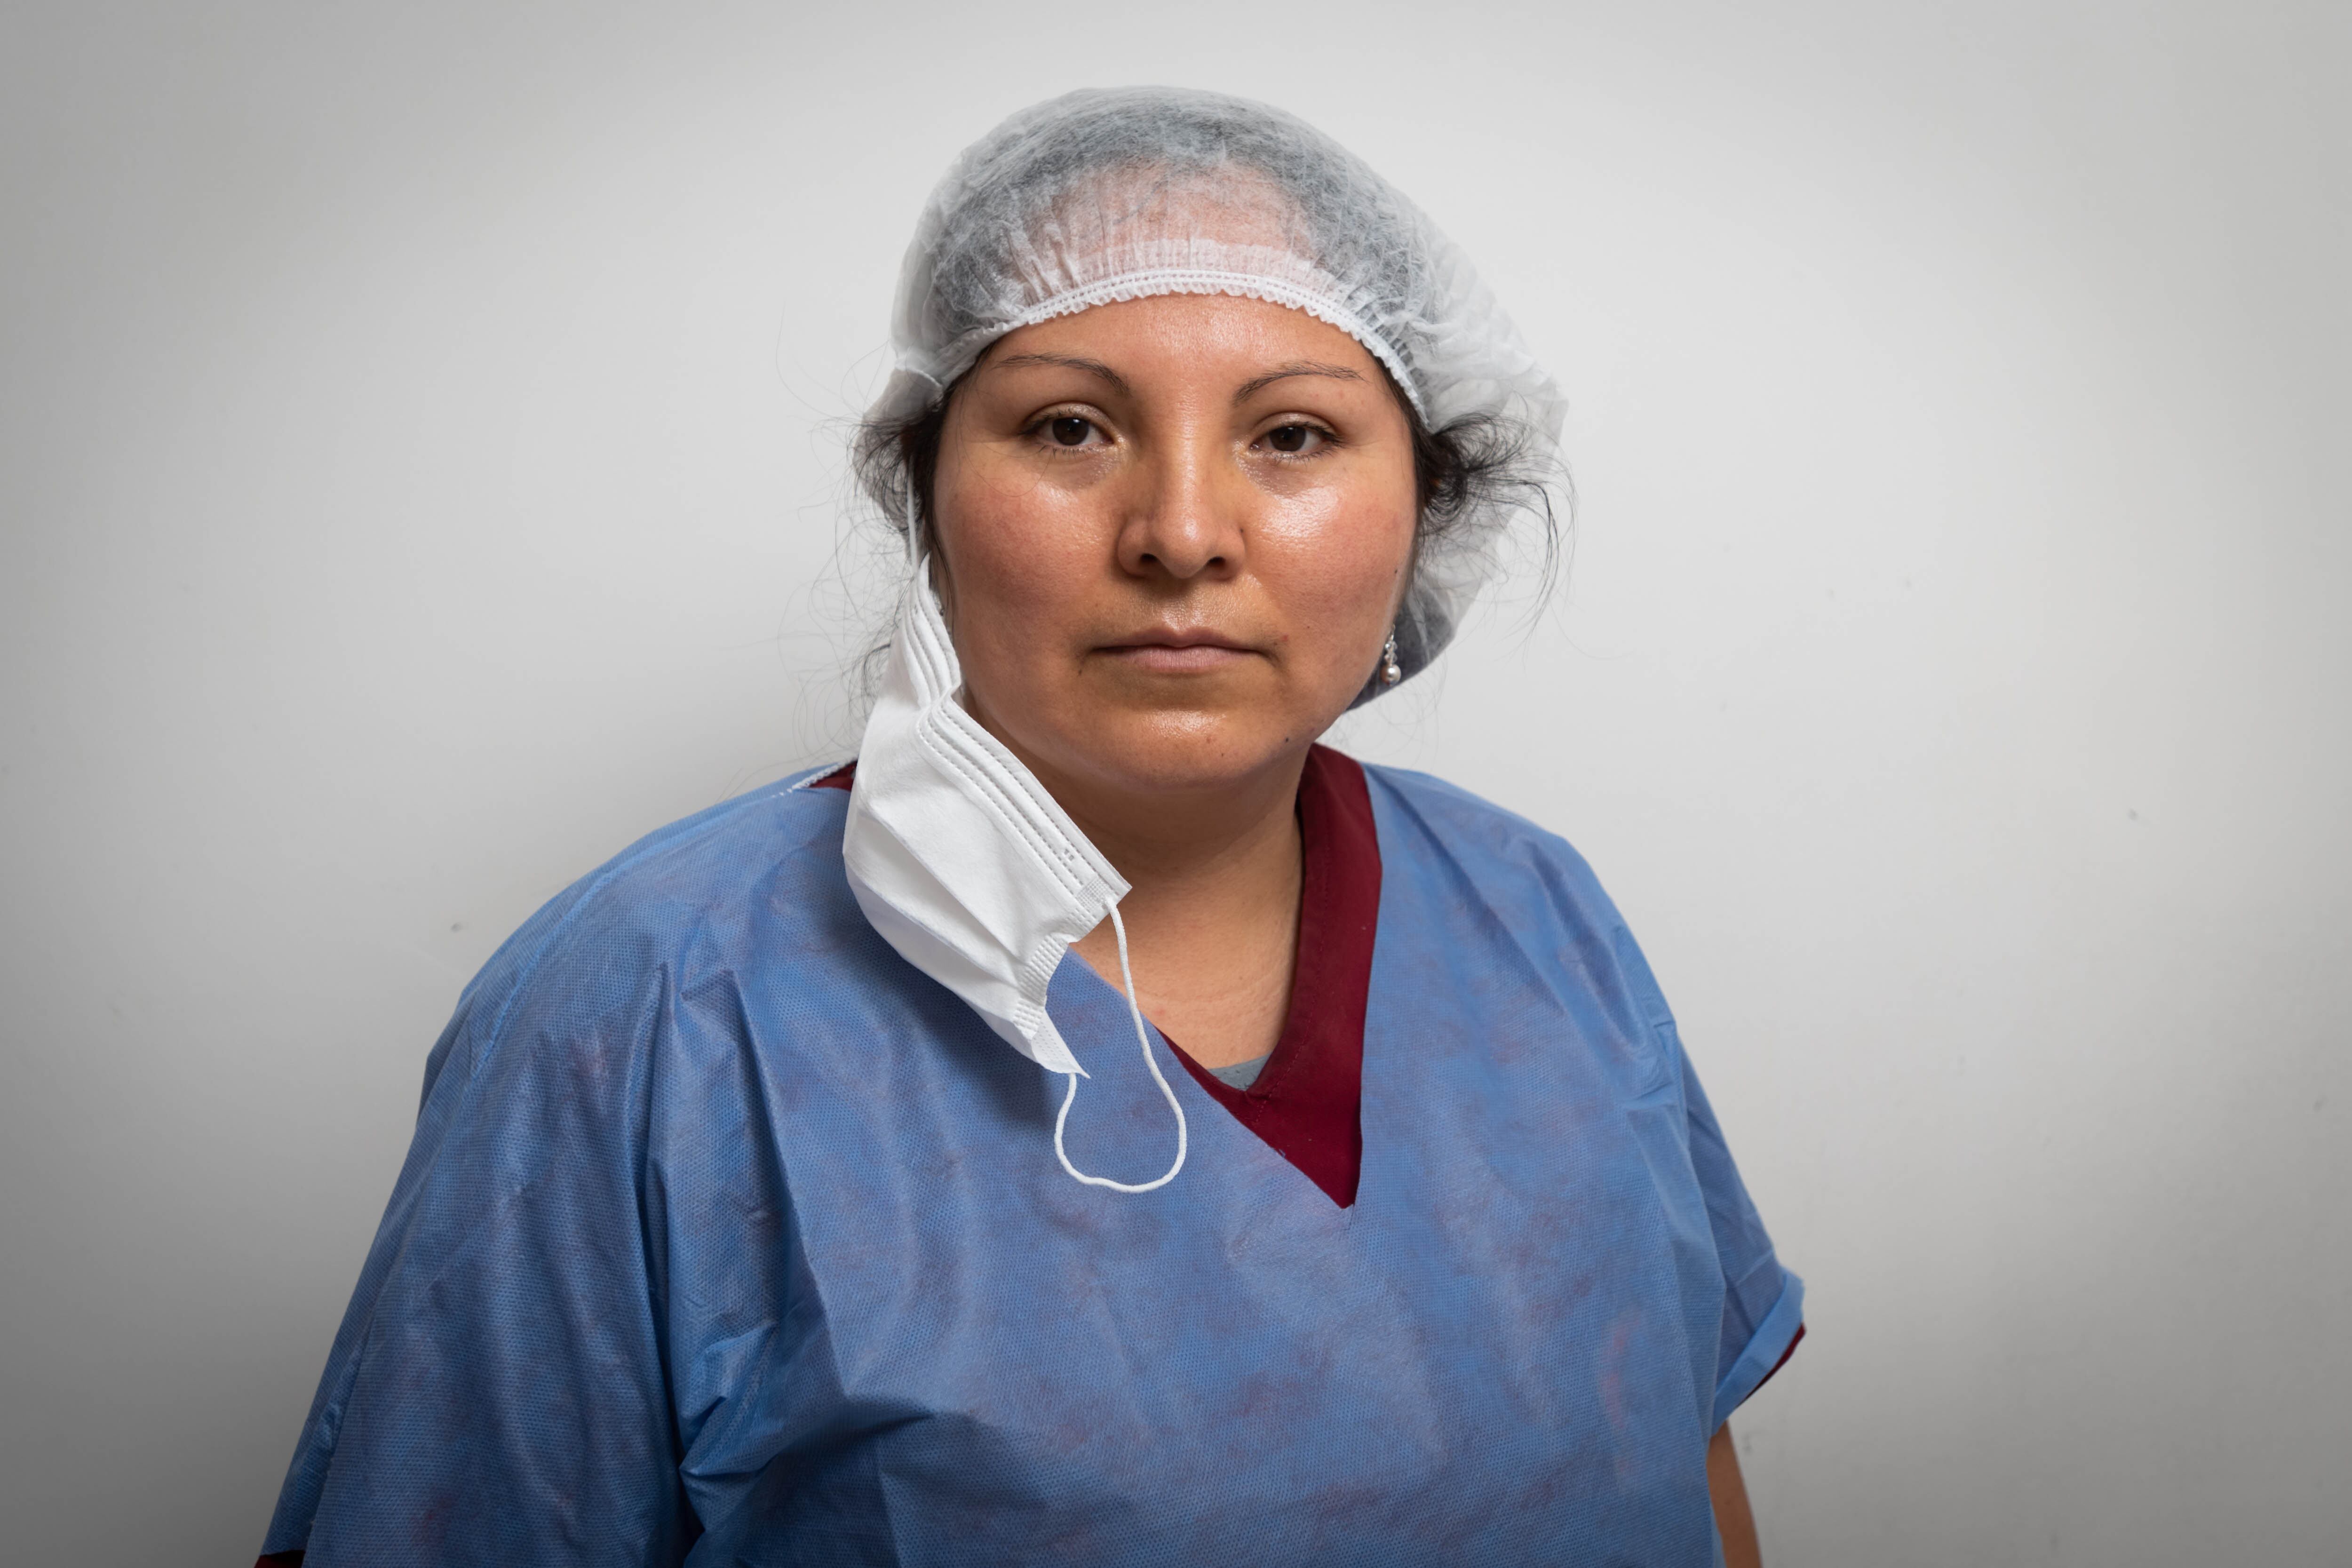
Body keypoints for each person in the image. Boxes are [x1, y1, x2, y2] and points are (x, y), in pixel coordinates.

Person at [257, 86, 1803, 1568]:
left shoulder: (1537, 910)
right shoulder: (648, 1005)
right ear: (925, 493)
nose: (1183, 534)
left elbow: (1691, 1482)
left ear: (1426, 503)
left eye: (1294, 436)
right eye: (1070, 428)